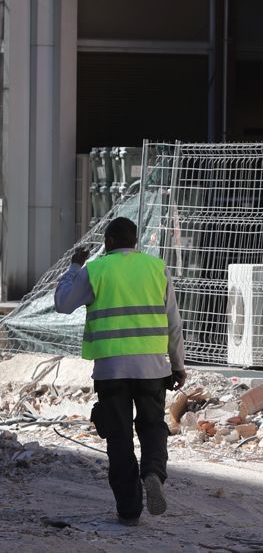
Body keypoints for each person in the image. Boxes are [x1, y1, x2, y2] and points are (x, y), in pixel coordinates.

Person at [55, 217, 186, 526]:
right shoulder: (157, 268)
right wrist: (177, 364)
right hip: (152, 368)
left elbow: (62, 303)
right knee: (153, 427)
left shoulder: (96, 270)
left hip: (112, 369)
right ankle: (153, 472)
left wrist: (75, 266)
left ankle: (129, 509)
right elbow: (173, 323)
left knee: (119, 438)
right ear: (136, 242)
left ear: (109, 242)